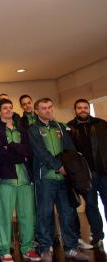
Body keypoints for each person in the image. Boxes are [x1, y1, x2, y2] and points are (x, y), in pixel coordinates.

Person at [28, 98, 88, 261]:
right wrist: (57, 166)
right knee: (45, 214)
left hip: (64, 179)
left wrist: (69, 168)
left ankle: (71, 248)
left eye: (50, 107)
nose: (48, 110)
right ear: (36, 111)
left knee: (68, 213)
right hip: (45, 179)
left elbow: (70, 150)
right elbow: (40, 151)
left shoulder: (60, 127)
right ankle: (45, 248)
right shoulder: (33, 129)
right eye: (43, 108)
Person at [0, 99, 40, 261]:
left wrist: (11, 147)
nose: (9, 110)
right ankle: (4, 249)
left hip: (25, 179)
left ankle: (27, 248)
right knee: (4, 216)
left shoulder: (22, 129)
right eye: (5, 108)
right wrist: (19, 153)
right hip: (5, 180)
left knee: (27, 216)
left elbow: (29, 150)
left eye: (11, 108)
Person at [68, 98, 107, 247]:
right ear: (75, 110)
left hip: (103, 172)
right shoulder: (69, 128)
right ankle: (97, 235)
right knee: (91, 205)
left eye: (85, 107)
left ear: (88, 109)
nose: (83, 110)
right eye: (79, 108)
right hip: (85, 175)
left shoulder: (101, 124)